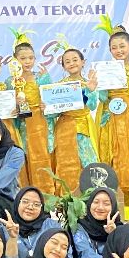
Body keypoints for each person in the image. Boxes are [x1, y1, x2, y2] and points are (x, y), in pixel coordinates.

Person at [95, 30, 129, 202]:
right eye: (114, 48)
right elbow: (102, 98)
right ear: (110, 50)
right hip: (109, 117)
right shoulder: (105, 70)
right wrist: (100, 84)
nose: (118, 51)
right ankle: (110, 199)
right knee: (109, 154)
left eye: (122, 46)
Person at [44, 49, 100, 193]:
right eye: (67, 62)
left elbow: (92, 105)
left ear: (83, 62)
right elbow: (52, 114)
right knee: (66, 165)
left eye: (75, 60)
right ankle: (67, 200)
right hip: (65, 129)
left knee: (90, 163)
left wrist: (91, 90)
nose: (72, 63)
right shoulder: (58, 87)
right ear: (63, 66)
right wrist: (47, 108)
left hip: (85, 128)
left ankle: (93, 198)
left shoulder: (89, 83)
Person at [9, 39, 53, 189]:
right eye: (23, 58)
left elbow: (51, 101)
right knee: (24, 156)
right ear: (15, 60)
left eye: (31, 58)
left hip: (40, 124)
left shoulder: (41, 77)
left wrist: (46, 105)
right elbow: (7, 106)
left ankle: (45, 191)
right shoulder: (11, 81)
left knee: (41, 155)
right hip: (21, 125)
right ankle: (25, 192)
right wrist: (14, 106)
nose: (27, 62)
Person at [6, 187, 62, 258]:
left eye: (36, 204)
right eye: (25, 202)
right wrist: (12, 238)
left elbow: (64, 257)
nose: (30, 207)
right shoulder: (8, 227)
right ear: (17, 203)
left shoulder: (52, 226)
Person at [74, 187, 122, 258]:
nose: (100, 207)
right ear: (90, 204)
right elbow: (85, 253)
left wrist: (113, 234)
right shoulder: (80, 226)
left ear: (113, 207)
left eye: (106, 204)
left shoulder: (121, 229)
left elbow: (125, 254)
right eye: (96, 202)